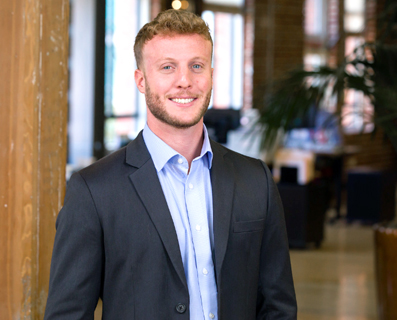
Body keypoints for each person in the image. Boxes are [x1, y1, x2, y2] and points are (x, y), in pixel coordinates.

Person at [44, 9, 297, 320]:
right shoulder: (94, 190)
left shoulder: (255, 179)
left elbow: (278, 308)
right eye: (167, 67)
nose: (184, 81)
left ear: (211, 76)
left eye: (196, 66)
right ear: (141, 80)